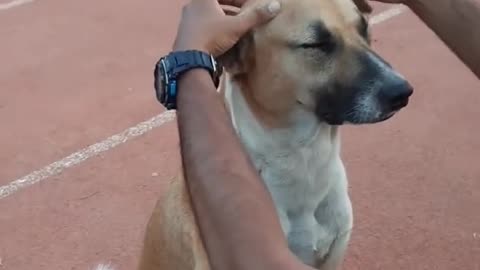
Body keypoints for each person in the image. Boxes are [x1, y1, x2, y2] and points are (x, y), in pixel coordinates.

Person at [166, 0, 480, 269]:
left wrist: (188, 65)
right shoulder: (213, 216)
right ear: (235, 56)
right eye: (318, 45)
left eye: (360, 29)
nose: (393, 82)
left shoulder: (331, 200)